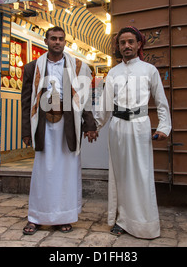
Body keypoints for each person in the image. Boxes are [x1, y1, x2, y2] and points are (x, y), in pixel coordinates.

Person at [95, 26, 172, 239]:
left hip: (140, 125)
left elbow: (161, 102)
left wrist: (164, 127)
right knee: (119, 175)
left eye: (130, 42)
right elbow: (105, 105)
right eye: (122, 43)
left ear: (139, 44)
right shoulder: (113, 72)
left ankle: (144, 223)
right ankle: (121, 220)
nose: (126, 46)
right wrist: (96, 126)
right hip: (117, 126)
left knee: (141, 173)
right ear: (118, 47)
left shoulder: (149, 70)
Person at [21, 26, 98, 235]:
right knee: (42, 172)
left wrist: (89, 125)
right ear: (45, 41)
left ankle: (64, 217)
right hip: (43, 123)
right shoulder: (32, 68)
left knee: (67, 171)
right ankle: (36, 217)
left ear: (65, 42)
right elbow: (26, 102)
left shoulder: (78, 66)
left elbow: (84, 99)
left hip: (69, 124)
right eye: (53, 38)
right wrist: (26, 131)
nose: (57, 42)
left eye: (61, 39)